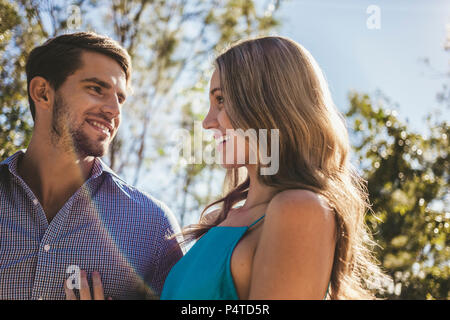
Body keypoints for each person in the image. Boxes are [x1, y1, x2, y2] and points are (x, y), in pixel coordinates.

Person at [70, 35, 389, 300]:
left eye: (221, 100)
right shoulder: (222, 219)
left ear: (267, 103)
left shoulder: (299, 209)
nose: (208, 122)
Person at [0, 32, 182, 300]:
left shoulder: (154, 227)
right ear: (43, 92)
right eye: (97, 89)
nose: (114, 111)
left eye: (120, 99)